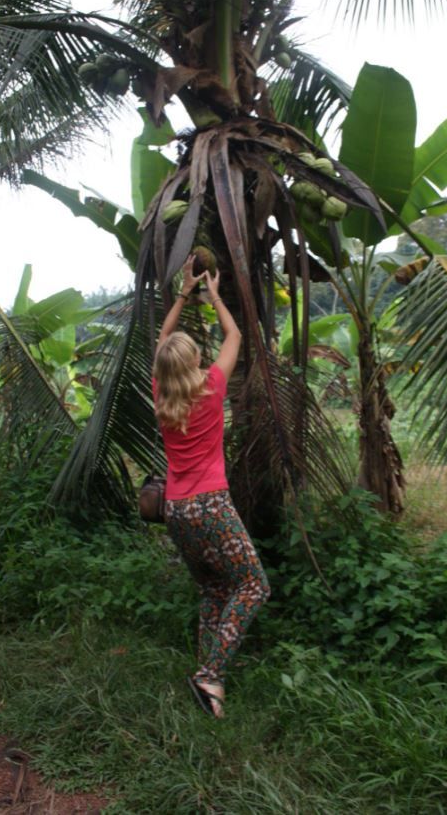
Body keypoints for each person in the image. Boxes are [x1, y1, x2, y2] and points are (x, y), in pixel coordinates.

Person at [153, 254, 270, 719]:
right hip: (212, 506)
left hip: (176, 510)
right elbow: (235, 335)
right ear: (196, 361)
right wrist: (213, 292)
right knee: (253, 586)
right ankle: (210, 673)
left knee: (213, 591)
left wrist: (183, 292)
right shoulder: (212, 386)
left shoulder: (162, 394)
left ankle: (207, 686)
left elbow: (163, 340)